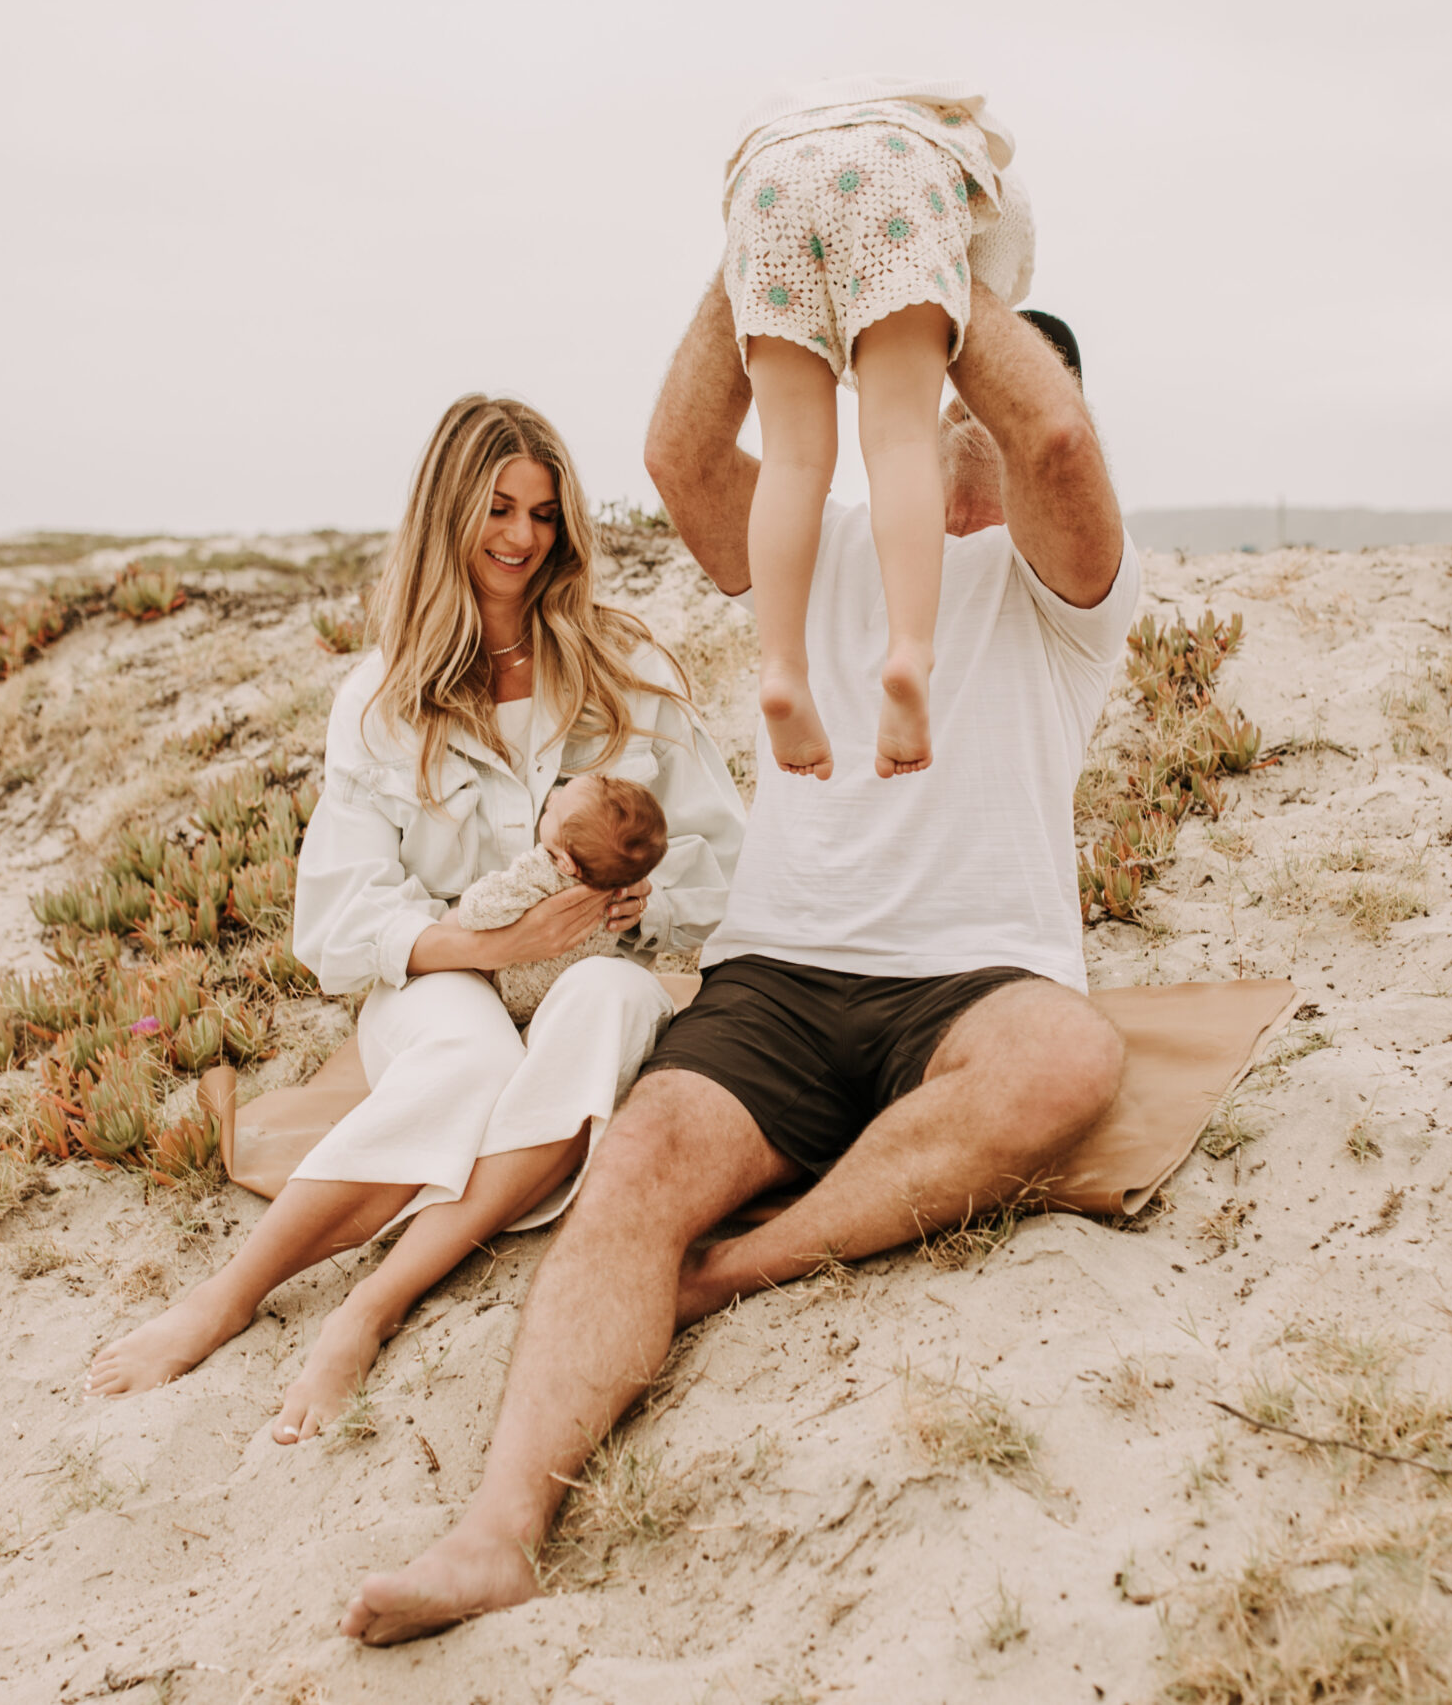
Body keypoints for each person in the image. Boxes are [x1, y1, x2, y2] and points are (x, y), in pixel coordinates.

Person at [339, 281, 1134, 1644]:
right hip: (781, 975)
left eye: (987, 406)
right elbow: (682, 457)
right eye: (935, 413)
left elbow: (1054, 442)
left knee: (1068, 1055)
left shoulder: (1070, 585)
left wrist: (935, 256)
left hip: (975, 980)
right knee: (641, 1158)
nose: (969, 436)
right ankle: (494, 1532)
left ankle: (734, 1269)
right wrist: (752, 252)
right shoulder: (813, 548)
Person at [85, 395, 747, 1446]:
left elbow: (727, 850)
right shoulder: (381, 698)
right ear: (446, 514)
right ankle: (229, 1294)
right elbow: (342, 919)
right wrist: (489, 947)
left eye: (542, 514)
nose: (521, 538)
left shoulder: (631, 671)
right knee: (471, 1059)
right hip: (444, 977)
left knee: (612, 998)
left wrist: (646, 897)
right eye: (496, 508)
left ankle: (370, 1306)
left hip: (592, 968)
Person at [721, 76, 1034, 781]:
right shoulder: (953, 143)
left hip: (765, 182)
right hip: (896, 181)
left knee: (791, 459)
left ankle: (781, 669)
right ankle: (909, 650)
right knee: (901, 440)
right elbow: (1003, 240)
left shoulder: (814, 100)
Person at [451, 773, 669, 1024]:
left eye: (554, 811)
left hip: (512, 992)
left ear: (565, 862)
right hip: (564, 994)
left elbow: (474, 912)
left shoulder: (541, 870)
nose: (551, 799)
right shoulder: (617, 882)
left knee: (452, 922)